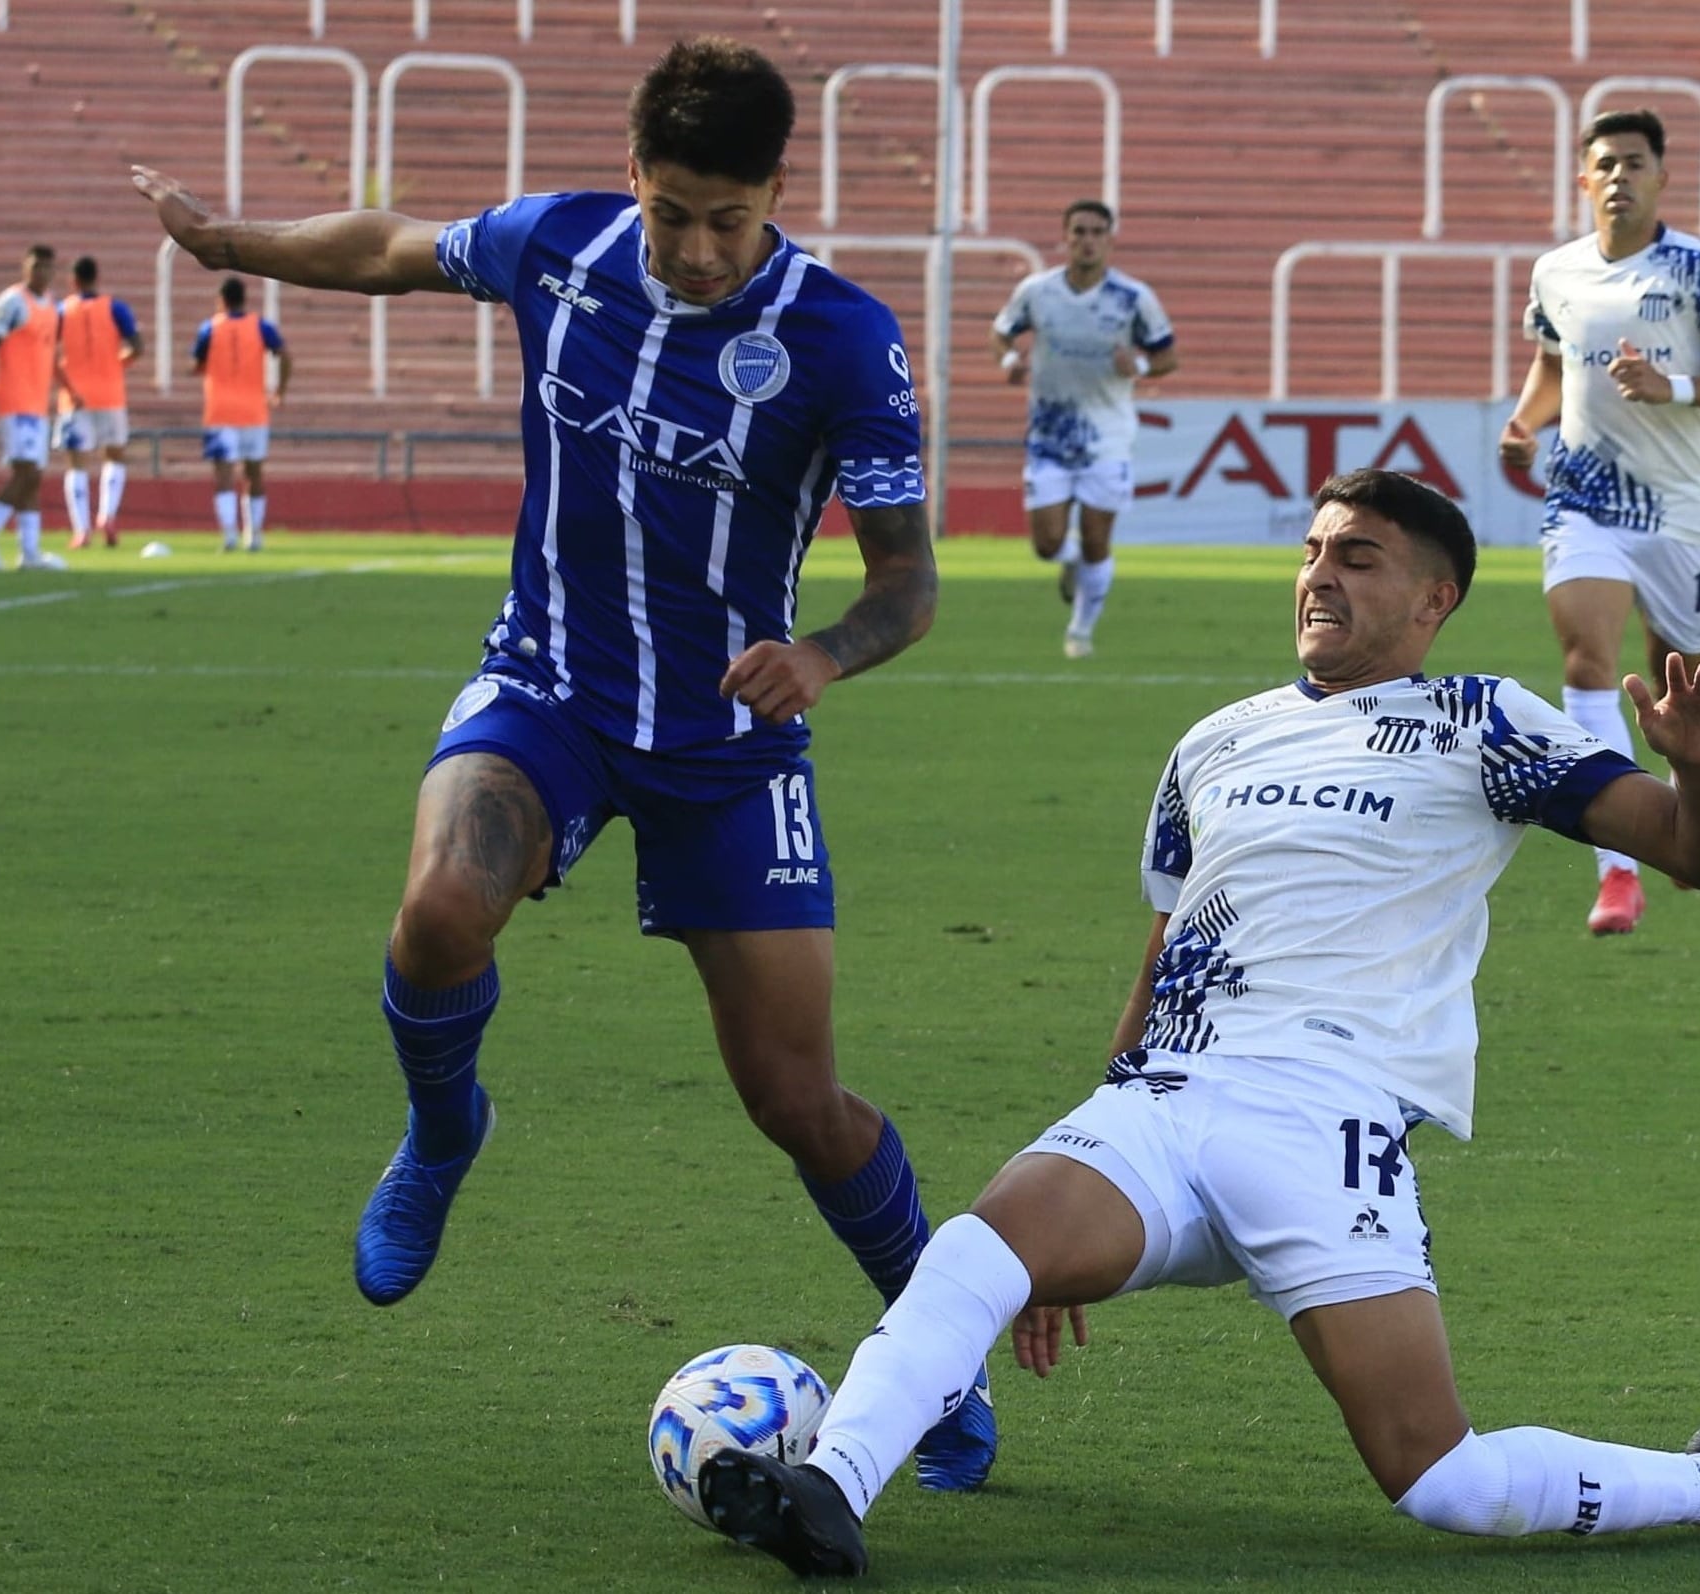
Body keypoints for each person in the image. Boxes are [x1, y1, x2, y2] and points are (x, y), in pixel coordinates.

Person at [696, 470, 1700, 1577]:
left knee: (1445, 1481)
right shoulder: (1214, 741)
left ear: (1434, 599)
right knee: (976, 1249)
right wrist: (1075, 1157)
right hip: (1162, 1102)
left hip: (1323, 1119)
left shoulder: (1482, 720)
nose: (1321, 573)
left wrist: (1697, 767)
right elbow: (1167, 949)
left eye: (1360, 556)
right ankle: (828, 1486)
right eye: (1316, 549)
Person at [132, 34, 1001, 1490]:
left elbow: (908, 584)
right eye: (673, 212)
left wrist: (826, 654)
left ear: (778, 192)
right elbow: (398, 246)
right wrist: (230, 240)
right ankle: (441, 1126)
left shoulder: (844, 337)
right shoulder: (565, 246)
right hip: (551, 689)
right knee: (437, 908)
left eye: (728, 217)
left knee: (799, 1100)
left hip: (732, 742)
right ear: (635, 180)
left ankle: (932, 1353)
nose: (699, 247)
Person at [1500, 109, 1700, 937]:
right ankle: (1617, 870)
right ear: (1582, 181)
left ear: (1661, 177)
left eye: (1634, 162)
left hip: (1682, 512)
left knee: (1676, 692)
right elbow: (1551, 364)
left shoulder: (1699, 268)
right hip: (1583, 497)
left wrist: (1675, 389)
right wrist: (1523, 426)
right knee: (1588, 659)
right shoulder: (1555, 271)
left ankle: (1693, 826)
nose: (1619, 176)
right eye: (1605, 165)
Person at [989, 199, 1178, 659]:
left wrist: (1134, 364)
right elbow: (1001, 334)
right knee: (1047, 543)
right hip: (1049, 438)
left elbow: (1167, 357)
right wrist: (1011, 360)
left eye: (1097, 232)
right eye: (1079, 231)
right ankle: (1068, 564)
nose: (1087, 240)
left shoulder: (1133, 298)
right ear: (1066, 237)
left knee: (1097, 539)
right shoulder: (1037, 291)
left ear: (1110, 240)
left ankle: (1080, 630)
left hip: (1106, 440)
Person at [0, 243, 68, 572]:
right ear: (24, 267)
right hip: (14, 402)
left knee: (34, 477)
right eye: (36, 265)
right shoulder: (12, 302)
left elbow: (48, 357)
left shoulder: (52, 306)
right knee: (25, 473)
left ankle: (29, 552)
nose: (41, 272)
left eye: (47, 267)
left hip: (37, 405)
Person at [192, 276, 288, 552]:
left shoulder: (210, 327)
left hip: (220, 412)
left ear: (221, 299)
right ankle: (254, 536)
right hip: (253, 411)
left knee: (224, 475)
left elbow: (197, 362)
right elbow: (284, 354)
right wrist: (279, 390)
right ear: (244, 298)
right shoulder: (261, 326)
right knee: (253, 473)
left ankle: (229, 535)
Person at [56, 254, 142, 548]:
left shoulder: (63, 310)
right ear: (97, 278)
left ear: (73, 281)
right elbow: (137, 347)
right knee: (114, 456)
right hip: (111, 395)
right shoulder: (115, 307)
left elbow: (49, 352)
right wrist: (117, 364)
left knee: (76, 464)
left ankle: (81, 530)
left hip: (74, 398)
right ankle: (107, 515)